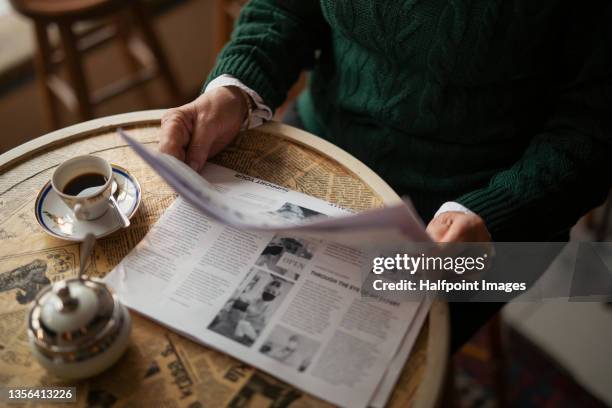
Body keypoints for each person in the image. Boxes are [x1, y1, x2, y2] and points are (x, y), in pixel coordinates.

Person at [161, 1, 612, 350]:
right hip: (322, 147)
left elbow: (595, 128)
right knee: (191, 306)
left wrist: (494, 215)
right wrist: (235, 89)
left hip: (492, 214)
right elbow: (286, 9)